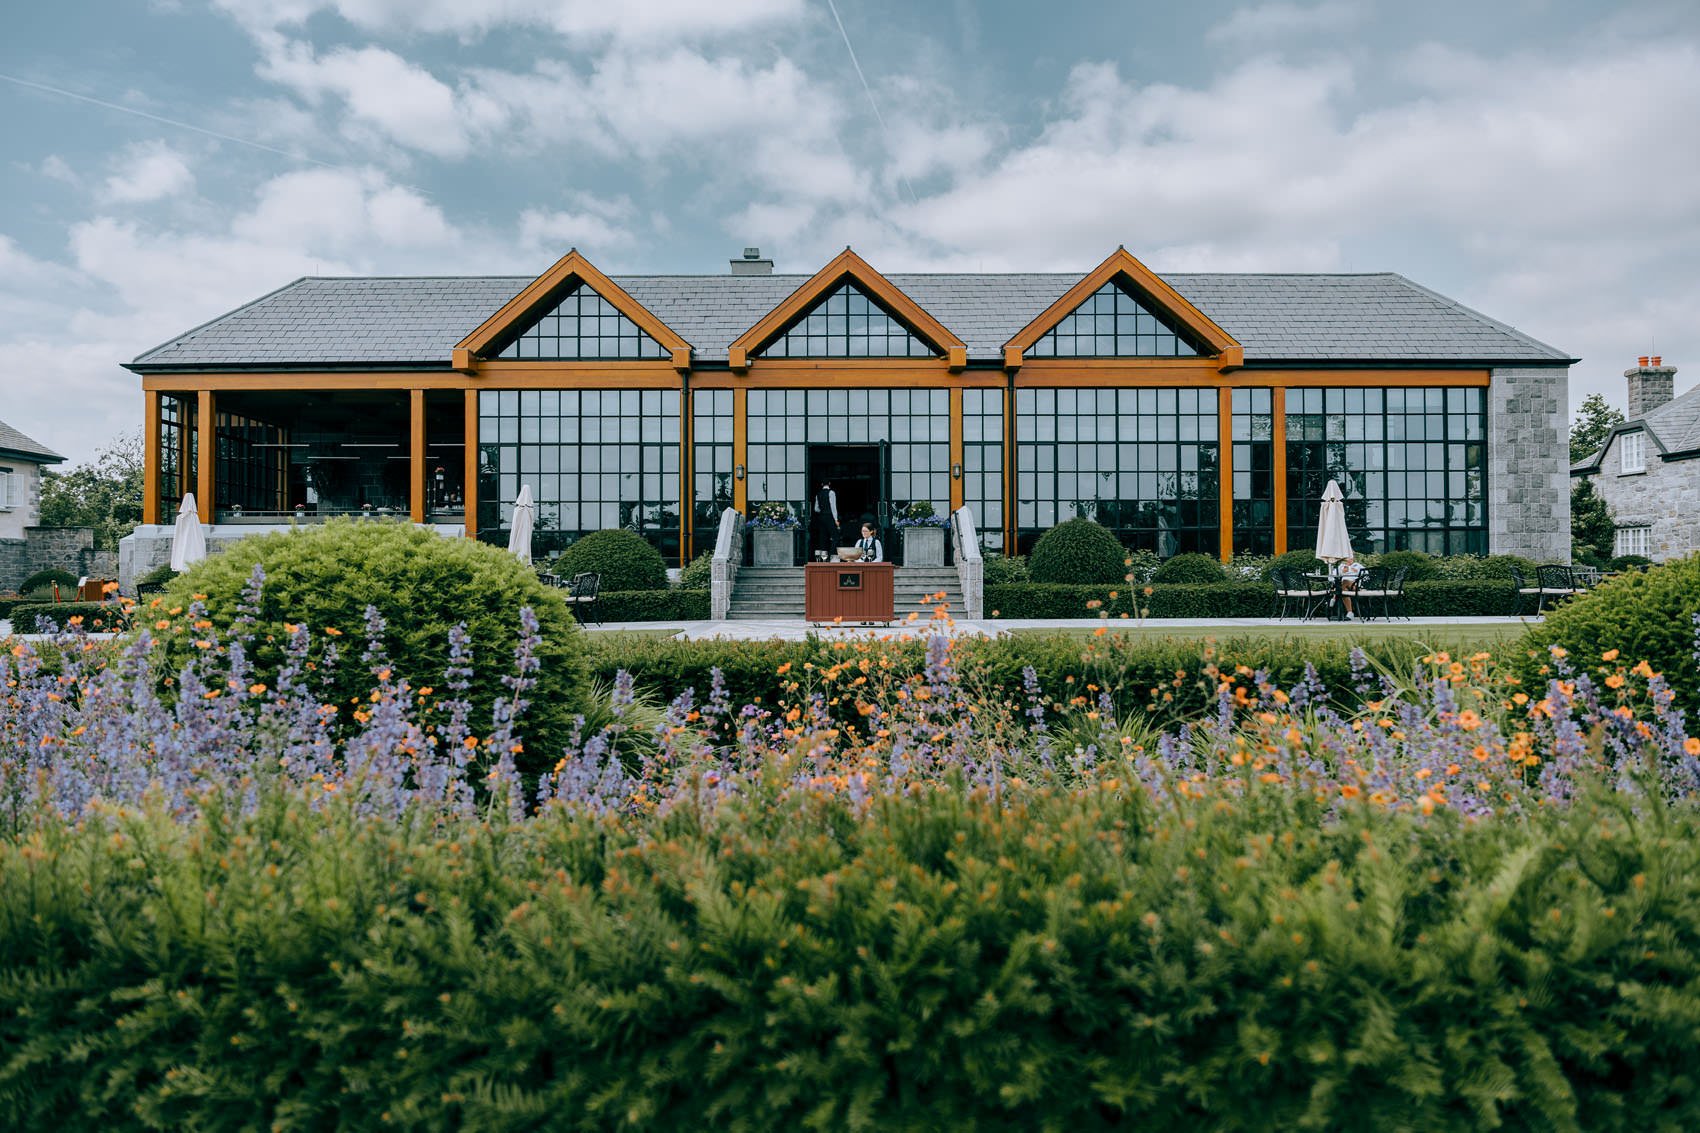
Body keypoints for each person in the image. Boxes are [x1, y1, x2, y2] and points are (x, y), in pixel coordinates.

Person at [810, 480, 839, 561]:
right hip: (829, 516)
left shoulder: (818, 494)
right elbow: (833, 507)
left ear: (821, 484)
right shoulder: (831, 492)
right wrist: (836, 519)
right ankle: (830, 556)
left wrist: (822, 511)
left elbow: (816, 509)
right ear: (829, 483)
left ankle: (823, 558)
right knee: (836, 537)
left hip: (821, 517)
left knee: (823, 537)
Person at [1334, 554, 1364, 620]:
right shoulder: (1341, 566)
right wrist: (1342, 572)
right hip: (1344, 587)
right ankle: (1350, 613)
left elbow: (1366, 575)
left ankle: (1334, 598)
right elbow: (1332, 577)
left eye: (1350, 557)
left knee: (1344, 582)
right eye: (1347, 557)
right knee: (1343, 590)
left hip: (1355, 586)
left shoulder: (1357, 566)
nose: (1349, 559)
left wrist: (1356, 571)